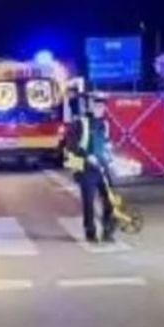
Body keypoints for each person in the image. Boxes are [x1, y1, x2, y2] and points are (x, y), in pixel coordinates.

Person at [65, 93, 115, 243]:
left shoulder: (104, 124)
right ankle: (90, 232)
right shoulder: (80, 123)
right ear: (90, 106)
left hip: (102, 166)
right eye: (97, 105)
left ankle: (108, 230)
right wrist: (87, 156)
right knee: (89, 202)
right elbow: (71, 145)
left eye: (102, 106)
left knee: (110, 199)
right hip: (86, 169)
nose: (100, 108)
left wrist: (110, 156)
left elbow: (106, 143)